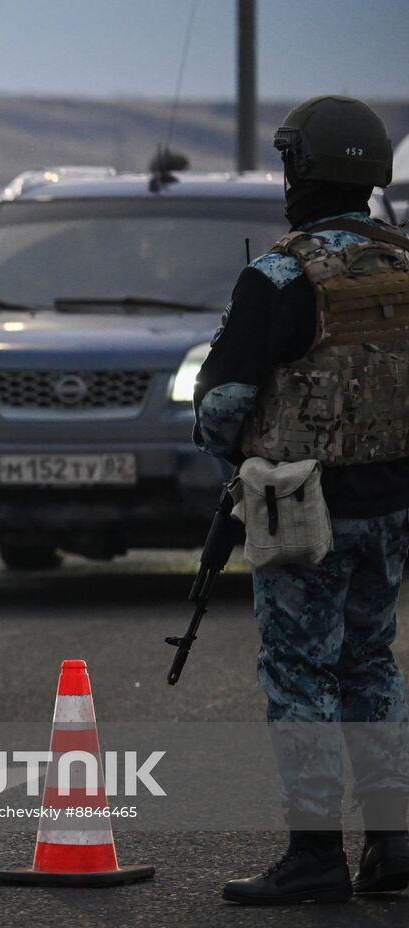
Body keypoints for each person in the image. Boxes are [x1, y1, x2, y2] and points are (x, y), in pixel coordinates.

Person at [193, 95, 409, 905]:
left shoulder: (281, 275)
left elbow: (222, 405)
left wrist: (230, 452)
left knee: (300, 671)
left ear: (301, 175)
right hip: (392, 503)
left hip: (301, 505)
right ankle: (392, 845)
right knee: (369, 662)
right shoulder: (406, 264)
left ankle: (315, 854)